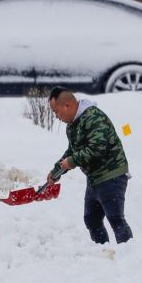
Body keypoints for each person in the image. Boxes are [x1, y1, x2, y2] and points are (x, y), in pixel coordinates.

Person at [46, 87, 132, 244]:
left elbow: (97, 148)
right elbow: (72, 151)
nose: (56, 117)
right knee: (91, 219)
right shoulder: (72, 125)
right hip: (95, 178)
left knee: (116, 219)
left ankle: (130, 257)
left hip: (111, 174)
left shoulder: (93, 117)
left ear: (67, 105)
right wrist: (56, 171)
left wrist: (71, 162)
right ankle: (104, 253)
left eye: (56, 112)